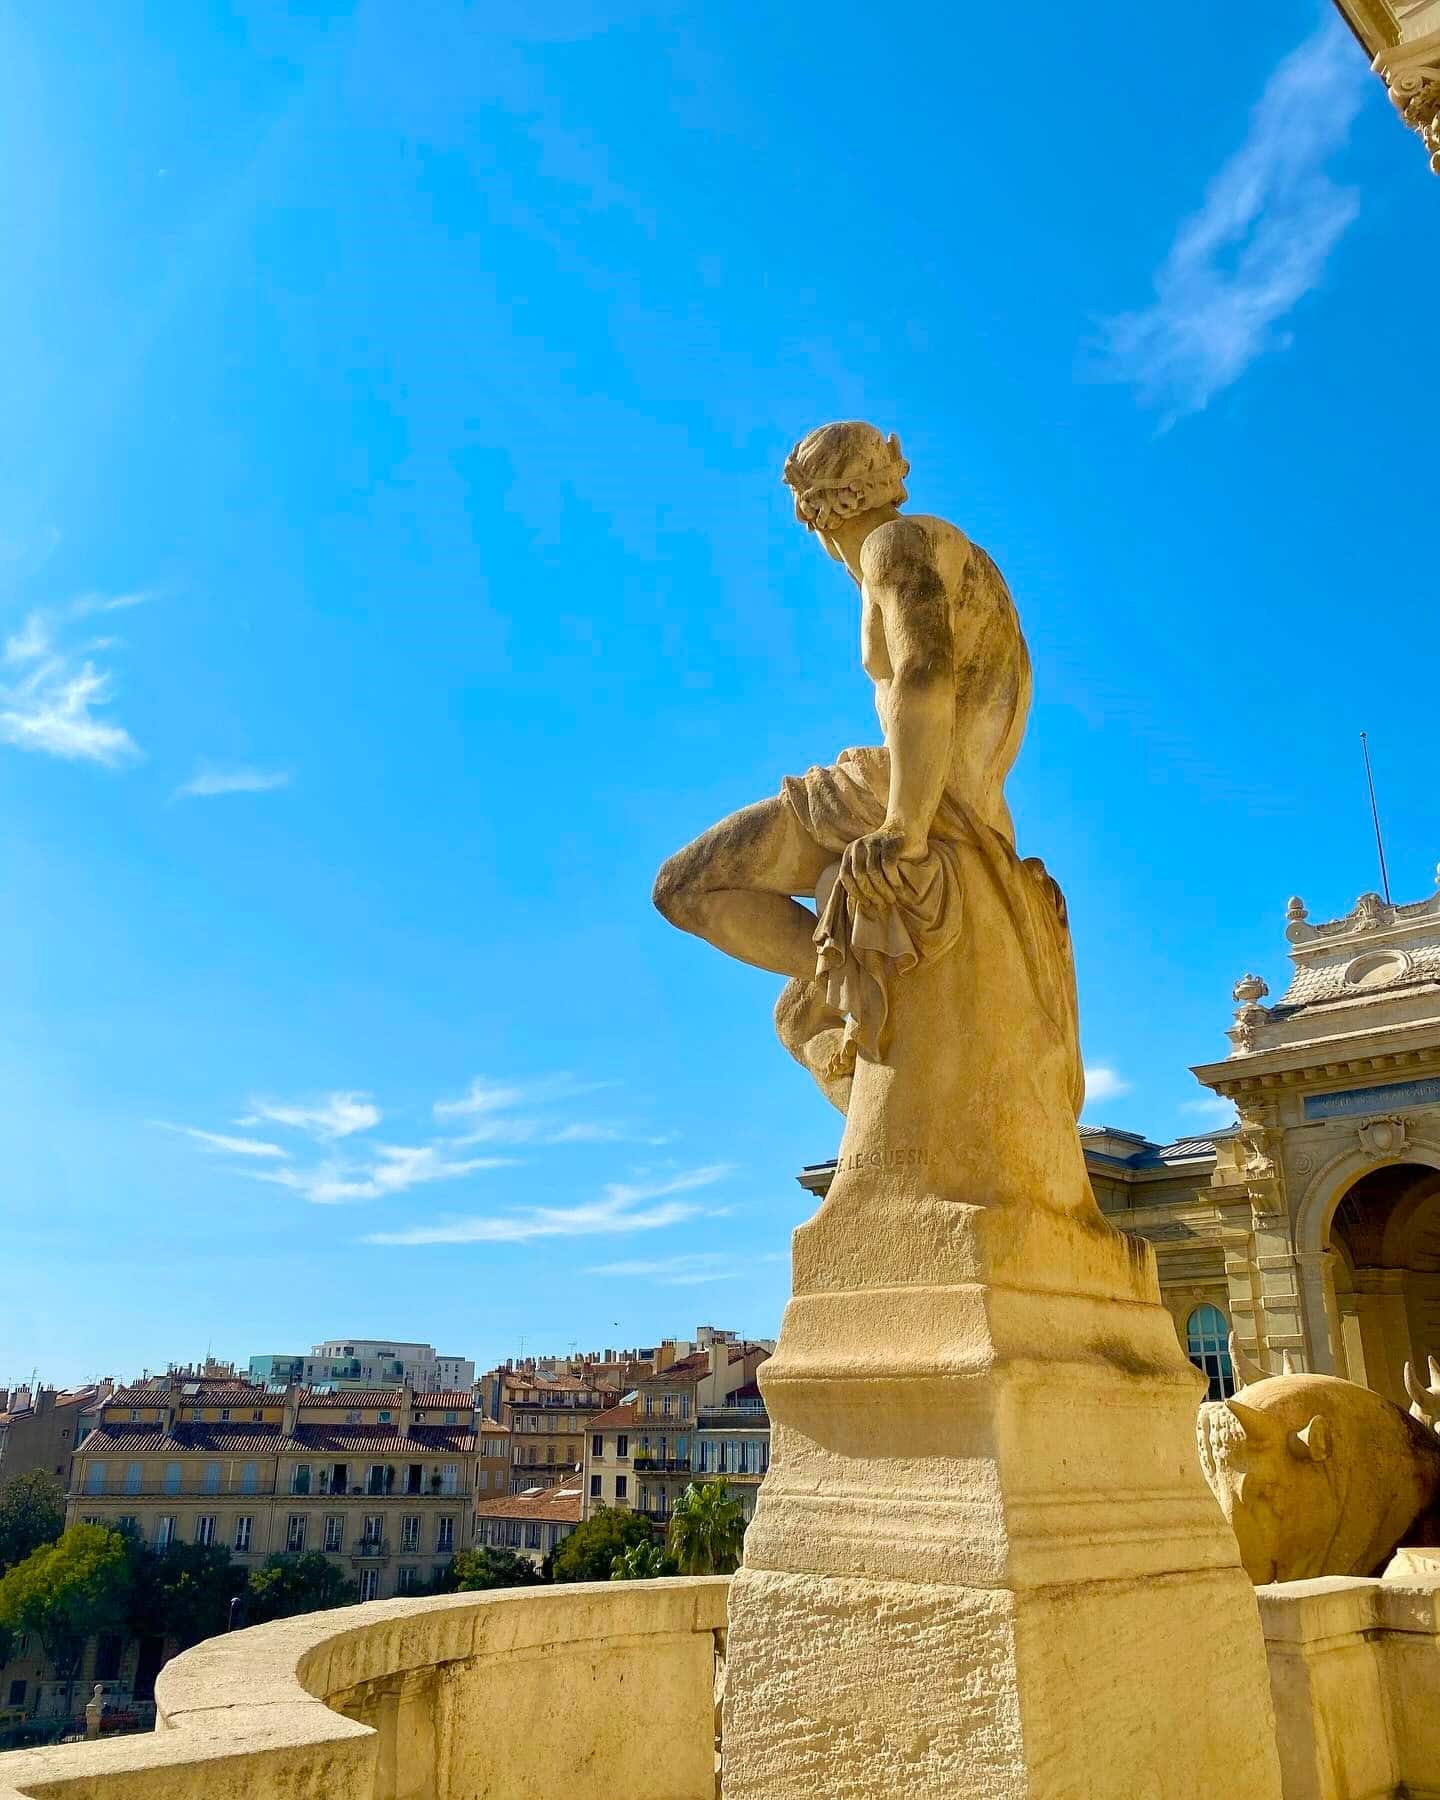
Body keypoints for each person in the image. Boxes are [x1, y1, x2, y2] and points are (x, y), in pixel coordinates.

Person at [654, 420, 1075, 1113]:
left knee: (684, 886)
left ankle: (852, 971)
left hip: (913, 789)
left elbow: (924, 675)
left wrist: (903, 827)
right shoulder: (947, 552)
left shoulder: (894, 544)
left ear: (814, 510)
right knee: (797, 1018)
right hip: (972, 794)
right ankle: (850, 991)